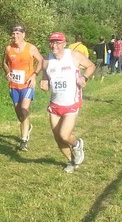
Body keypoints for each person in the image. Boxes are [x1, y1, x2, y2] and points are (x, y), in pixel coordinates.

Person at [40, 32, 95, 173]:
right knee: (58, 138)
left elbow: (91, 66)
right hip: (55, 104)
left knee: (64, 135)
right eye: (52, 42)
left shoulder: (74, 56)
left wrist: (84, 78)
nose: (54, 45)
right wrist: (44, 81)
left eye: (58, 42)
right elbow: (45, 74)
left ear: (64, 43)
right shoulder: (46, 60)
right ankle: (72, 160)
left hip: (71, 102)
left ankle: (77, 144)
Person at [3, 23, 43, 151]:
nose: (15, 36)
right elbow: (4, 62)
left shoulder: (30, 48)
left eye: (18, 34)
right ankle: (28, 126)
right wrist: (7, 72)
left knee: (24, 109)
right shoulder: (9, 49)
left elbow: (41, 61)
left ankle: (24, 140)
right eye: (13, 34)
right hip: (14, 85)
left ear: (23, 35)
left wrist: (34, 75)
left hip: (27, 85)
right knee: (20, 114)